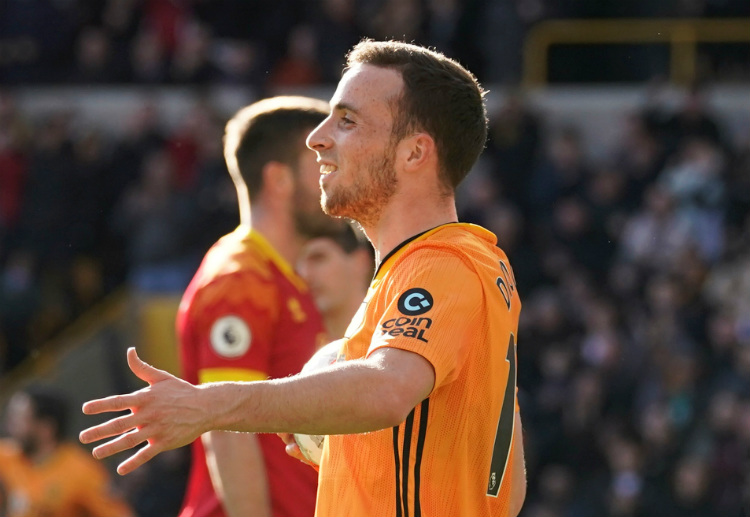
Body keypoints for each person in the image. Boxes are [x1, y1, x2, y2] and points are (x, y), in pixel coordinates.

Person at [80, 39, 528, 517]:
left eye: (347, 121)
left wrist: (207, 406)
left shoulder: (440, 264)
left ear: (415, 153)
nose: (317, 137)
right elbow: (509, 487)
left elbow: (385, 390)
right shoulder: (465, 264)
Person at [175, 96, 333, 517]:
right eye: (321, 161)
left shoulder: (284, 277)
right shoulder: (241, 280)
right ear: (279, 179)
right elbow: (226, 428)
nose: (335, 172)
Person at [0, 385, 134, 517]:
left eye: (19, 419)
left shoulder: (81, 471)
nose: (10, 425)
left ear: (46, 428)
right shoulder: (9, 456)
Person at [297, 222, 374, 339]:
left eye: (318, 258)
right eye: (297, 264)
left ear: (361, 261)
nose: (304, 274)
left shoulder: (392, 336)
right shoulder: (294, 345)